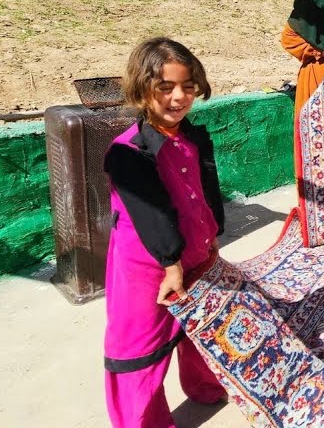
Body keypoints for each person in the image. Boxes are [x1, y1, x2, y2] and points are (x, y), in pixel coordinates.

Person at [102, 37, 227, 427]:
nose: (179, 98)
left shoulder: (190, 137)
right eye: (165, 88)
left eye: (187, 87)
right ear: (143, 89)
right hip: (150, 270)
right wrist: (171, 264)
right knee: (143, 347)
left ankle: (205, 388)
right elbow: (148, 212)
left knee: (200, 329)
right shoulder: (128, 152)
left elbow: (205, 191)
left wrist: (212, 235)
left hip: (197, 254)